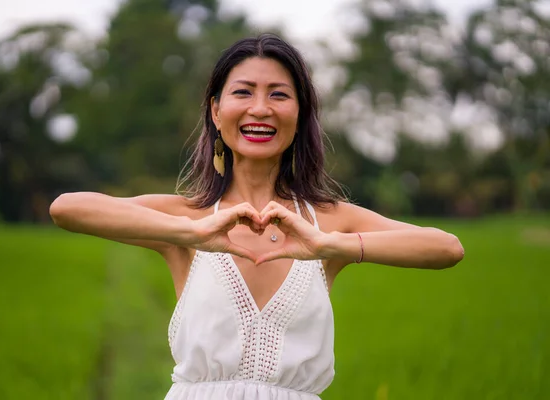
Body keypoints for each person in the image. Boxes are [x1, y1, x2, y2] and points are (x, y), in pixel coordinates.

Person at [50, 34, 464, 399]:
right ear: (216, 111)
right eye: (243, 92)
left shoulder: (329, 222)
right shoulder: (188, 218)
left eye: (279, 95)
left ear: (300, 115)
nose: (260, 109)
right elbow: (68, 208)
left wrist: (328, 245)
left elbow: (446, 247)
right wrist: (194, 233)